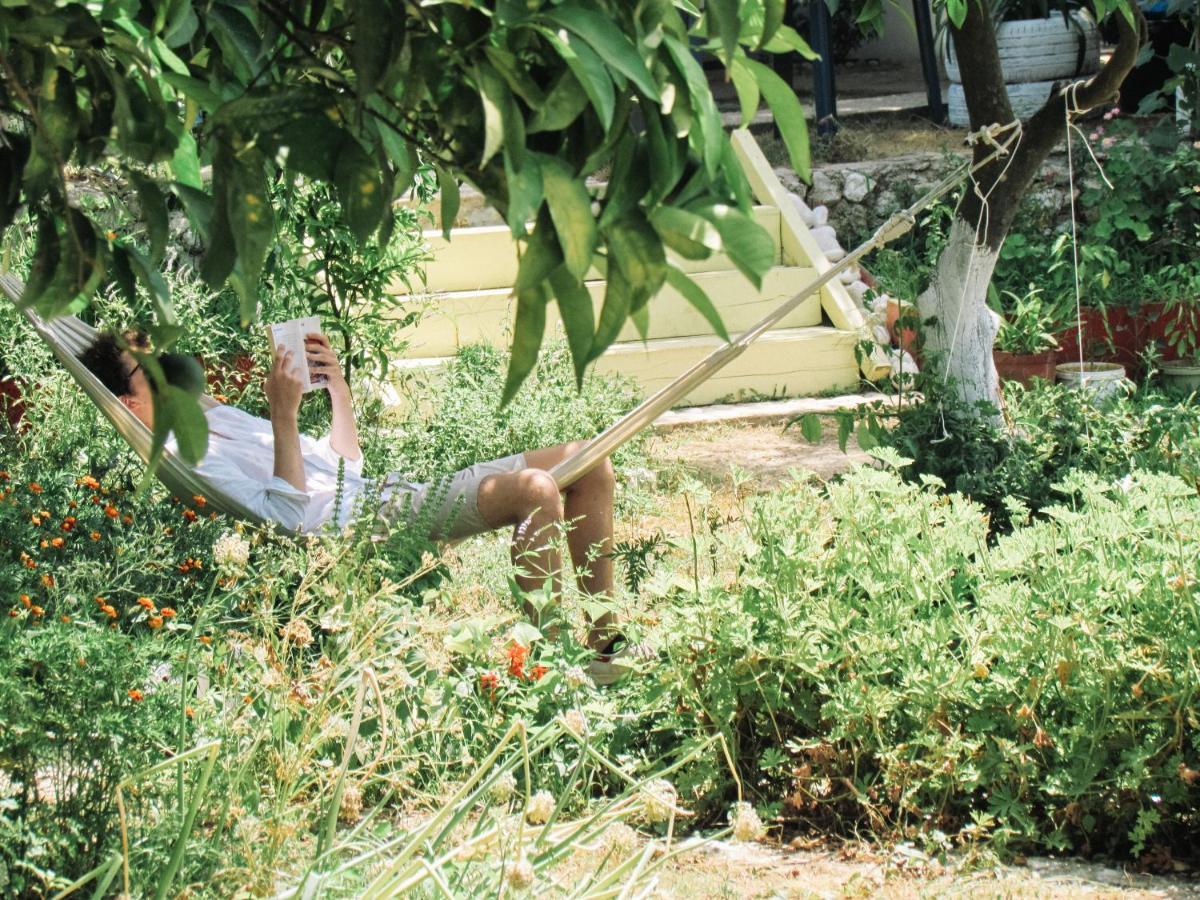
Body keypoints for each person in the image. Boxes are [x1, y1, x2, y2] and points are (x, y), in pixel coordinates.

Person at [80, 330, 638, 683]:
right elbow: (288, 516)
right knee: (538, 489)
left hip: (388, 496)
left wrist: (337, 390)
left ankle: (602, 643)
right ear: (130, 404)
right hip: (369, 524)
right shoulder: (186, 457)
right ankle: (548, 669)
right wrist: (282, 415)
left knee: (589, 460)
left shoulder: (216, 419)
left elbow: (341, 465)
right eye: (143, 364)